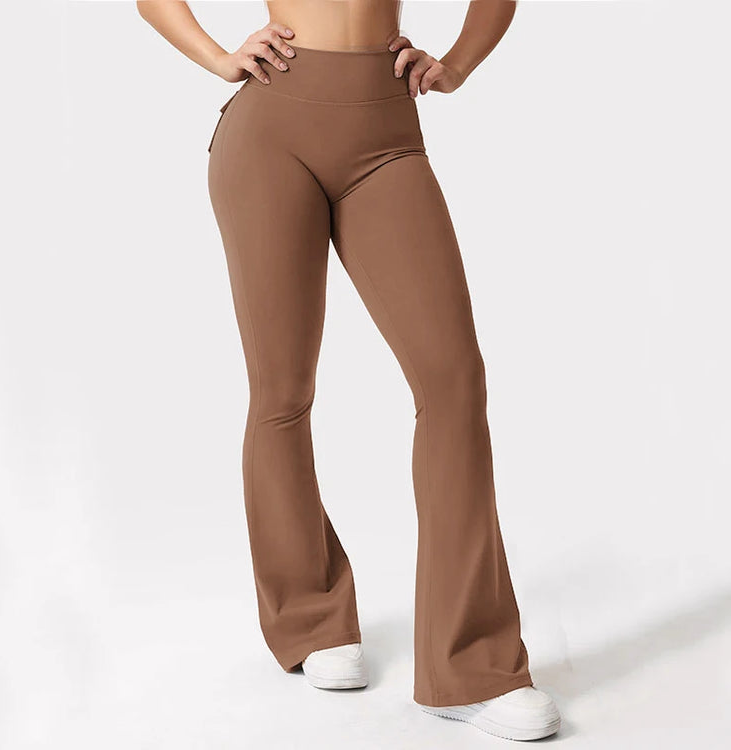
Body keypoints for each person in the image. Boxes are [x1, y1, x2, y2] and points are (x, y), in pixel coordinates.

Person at [136, 0, 561, 741]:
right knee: (282, 392)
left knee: (453, 383)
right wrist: (218, 58)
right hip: (268, 133)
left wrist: (457, 65)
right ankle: (310, 620)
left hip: (386, 138)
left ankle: (470, 666)